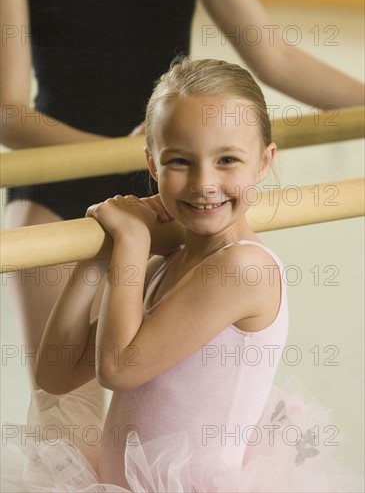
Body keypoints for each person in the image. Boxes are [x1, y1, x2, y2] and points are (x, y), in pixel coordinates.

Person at [1, 0, 364, 405]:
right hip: (65, 185)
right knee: (69, 416)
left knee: (159, 379)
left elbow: (275, 56)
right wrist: (126, 154)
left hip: (170, 187)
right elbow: (8, 112)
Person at [2, 58, 361, 492]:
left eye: (227, 159)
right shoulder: (164, 264)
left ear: (264, 162)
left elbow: (118, 369)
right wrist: (99, 258)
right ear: (152, 165)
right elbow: (55, 375)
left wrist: (132, 244)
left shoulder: (243, 268)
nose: (204, 183)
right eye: (179, 161)